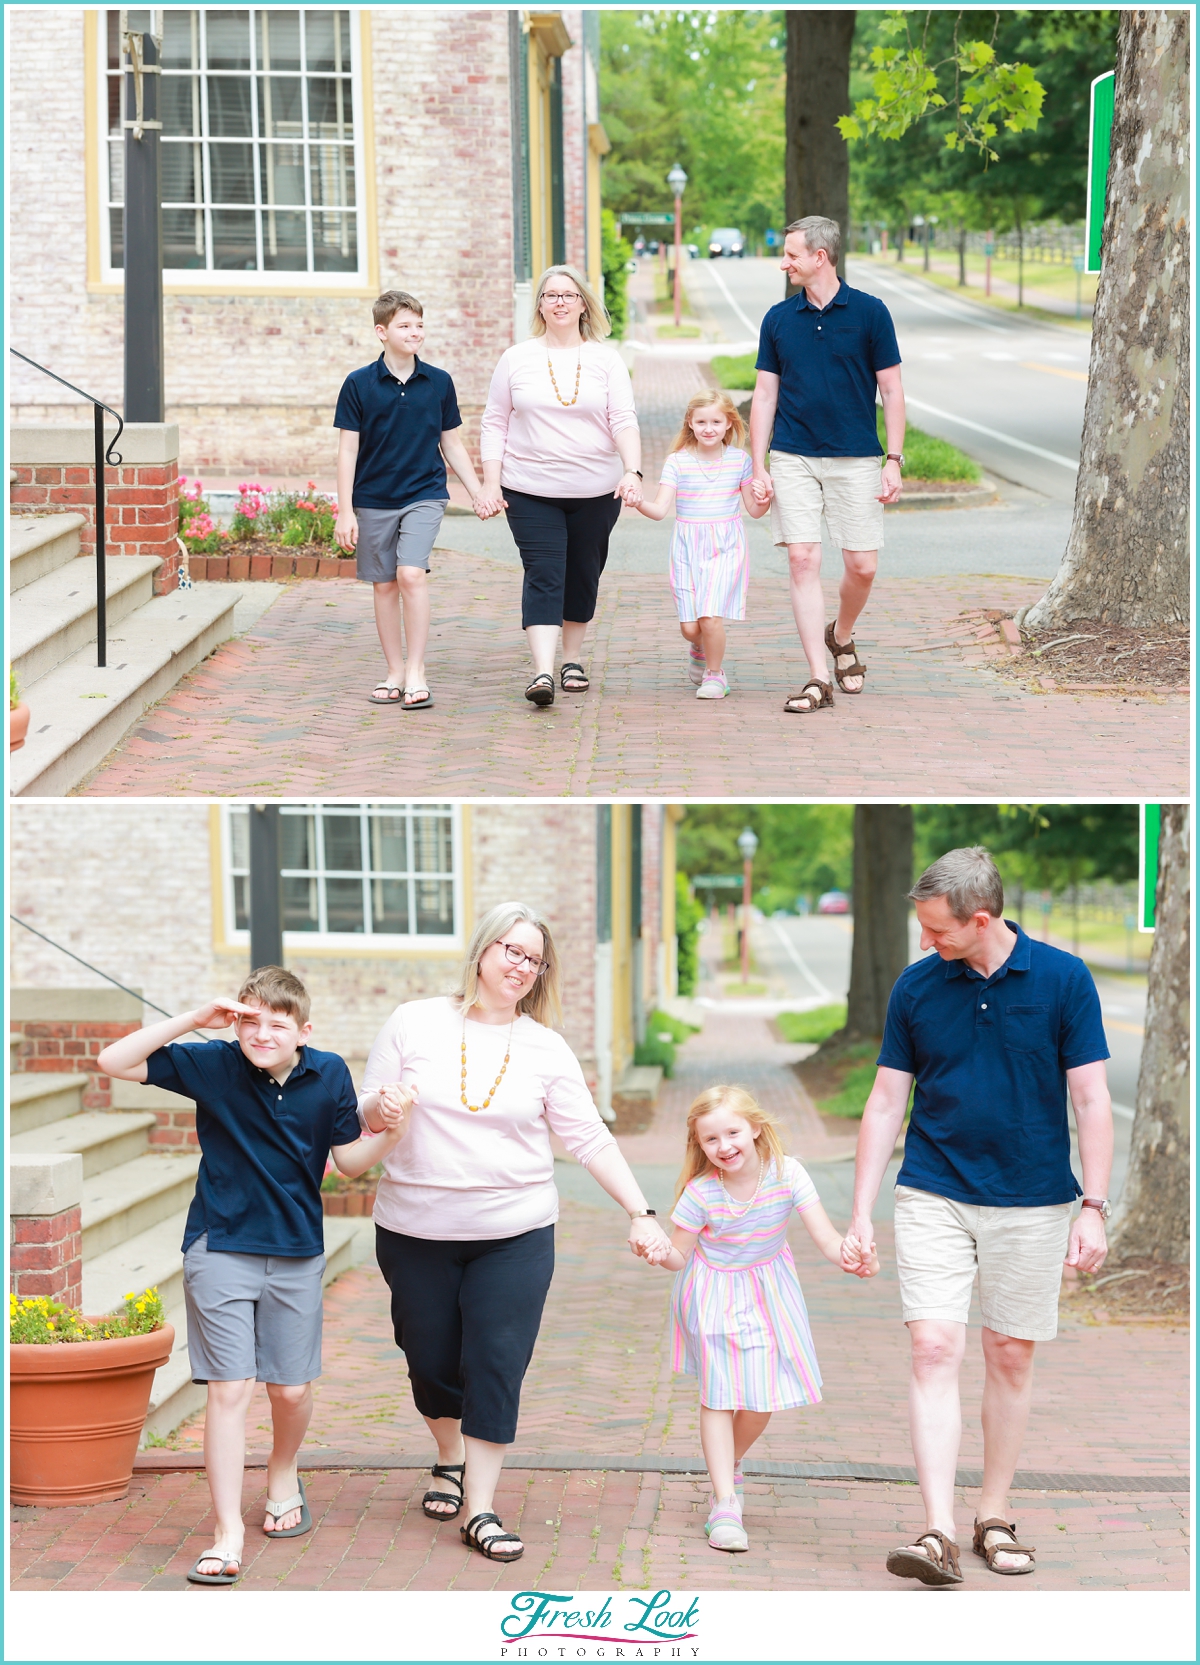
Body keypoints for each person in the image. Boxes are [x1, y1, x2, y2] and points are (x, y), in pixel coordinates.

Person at [358, 902, 671, 1562]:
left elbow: (588, 1137)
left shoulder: (545, 1047)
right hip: (415, 1227)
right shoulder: (414, 1021)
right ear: (481, 949)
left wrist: (640, 1211)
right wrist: (381, 1106)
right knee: (431, 1360)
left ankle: (481, 1504)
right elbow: (363, 1106)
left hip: (516, 1231)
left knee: (496, 1362)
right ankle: (449, 1455)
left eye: (535, 958)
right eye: (512, 949)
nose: (522, 965)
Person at [846, 847, 1113, 1586]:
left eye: (939, 931)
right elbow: (885, 1100)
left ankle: (992, 1513)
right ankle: (935, 1529)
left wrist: (1093, 1205)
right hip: (933, 1188)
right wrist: (861, 1211)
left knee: (1009, 1353)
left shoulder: (1063, 979)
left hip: (1034, 1199)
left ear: (982, 918)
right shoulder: (918, 986)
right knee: (934, 1347)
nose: (928, 943)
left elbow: (1091, 1100)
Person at [96, 967, 408, 1587]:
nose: (262, 1034)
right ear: (236, 1019)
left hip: (297, 1250)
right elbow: (113, 1061)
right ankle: (226, 1532)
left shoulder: (329, 1075)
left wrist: (393, 1131)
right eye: (251, 1020)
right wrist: (194, 1019)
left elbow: (347, 1163)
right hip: (221, 1246)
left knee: (289, 1391)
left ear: (303, 1031)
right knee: (228, 1389)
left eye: (277, 1024)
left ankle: (283, 1471)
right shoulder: (215, 1063)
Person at [639, 1085, 877, 1553]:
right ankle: (726, 1502)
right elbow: (679, 1257)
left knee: (762, 1398)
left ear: (756, 1128)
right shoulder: (701, 1192)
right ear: (699, 1145)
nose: (724, 1146)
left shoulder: (788, 1175)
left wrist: (848, 1255)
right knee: (720, 1392)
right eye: (711, 1139)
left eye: (732, 1132)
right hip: (711, 1291)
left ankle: (728, 1465)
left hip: (770, 1289)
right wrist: (655, 1250)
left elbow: (828, 1240)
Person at [748, 216, 906, 716]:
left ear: (821, 256)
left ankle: (841, 634)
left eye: (792, 254)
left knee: (863, 565)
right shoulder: (777, 318)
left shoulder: (870, 313)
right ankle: (819, 676)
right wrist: (759, 465)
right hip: (792, 453)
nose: (784, 262)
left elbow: (892, 390)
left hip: (856, 454)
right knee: (802, 559)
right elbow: (764, 394)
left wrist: (894, 460)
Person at [479, 265, 644, 708]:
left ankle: (572, 659)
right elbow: (494, 422)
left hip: (596, 490)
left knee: (583, 575)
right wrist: (491, 483)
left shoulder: (606, 360)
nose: (559, 302)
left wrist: (633, 471)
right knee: (545, 573)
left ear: (584, 303)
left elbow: (623, 420)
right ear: (539, 306)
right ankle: (543, 671)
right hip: (529, 488)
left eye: (568, 295)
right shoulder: (516, 357)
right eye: (550, 295)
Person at [334, 289, 504, 710]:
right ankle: (394, 671)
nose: (416, 333)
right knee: (385, 584)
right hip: (373, 498)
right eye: (405, 325)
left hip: (424, 493)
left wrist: (479, 489)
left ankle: (416, 671)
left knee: (411, 574)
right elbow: (347, 451)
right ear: (382, 331)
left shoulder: (439, 382)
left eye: (420, 325)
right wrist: (343, 511)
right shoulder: (358, 384)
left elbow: (453, 445)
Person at [636, 390, 769, 700]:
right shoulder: (677, 462)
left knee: (710, 617)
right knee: (691, 628)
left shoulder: (740, 460)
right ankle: (698, 647)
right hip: (686, 548)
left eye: (716, 421)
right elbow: (659, 510)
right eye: (702, 422)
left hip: (726, 546)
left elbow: (755, 510)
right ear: (690, 424)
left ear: (728, 424)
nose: (709, 428)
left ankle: (715, 674)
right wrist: (637, 500)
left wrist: (766, 498)